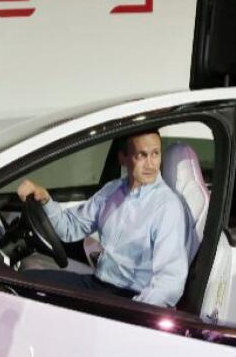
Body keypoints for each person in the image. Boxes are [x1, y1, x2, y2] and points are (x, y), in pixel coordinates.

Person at [16, 129, 191, 307]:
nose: (151, 164)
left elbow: (170, 283)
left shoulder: (167, 207)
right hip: (99, 285)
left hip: (132, 298)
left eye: (155, 154)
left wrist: (134, 312)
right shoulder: (112, 191)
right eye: (142, 155)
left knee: (27, 292)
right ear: (123, 158)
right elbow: (70, 228)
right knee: (22, 283)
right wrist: (45, 199)